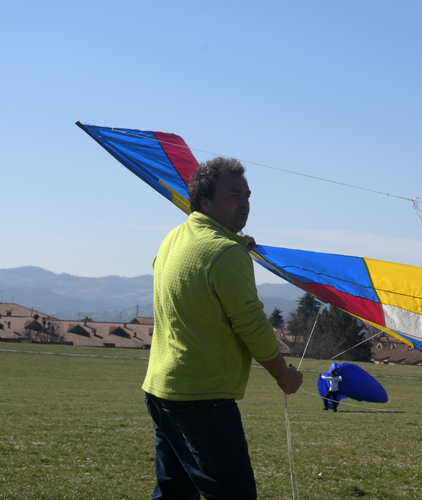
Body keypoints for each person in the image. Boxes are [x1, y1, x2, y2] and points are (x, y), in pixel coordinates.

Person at [142, 157, 303, 500]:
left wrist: (235, 243)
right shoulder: (226, 253)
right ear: (205, 202)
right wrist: (283, 376)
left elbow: (200, 275)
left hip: (161, 388)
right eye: (233, 196)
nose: (244, 204)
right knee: (233, 494)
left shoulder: (176, 237)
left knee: (173, 492)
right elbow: (253, 326)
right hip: (203, 397)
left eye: (247, 196)